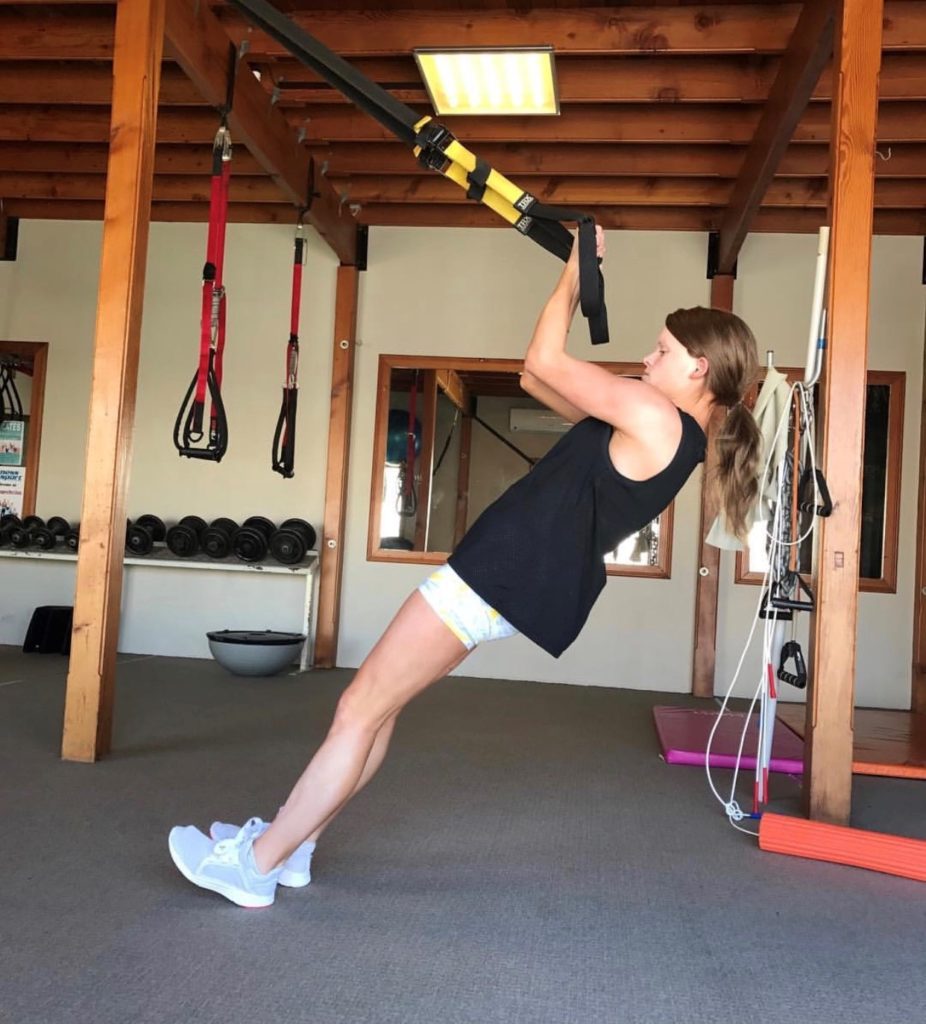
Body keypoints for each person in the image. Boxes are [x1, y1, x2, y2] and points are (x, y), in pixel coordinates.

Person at [168, 227, 761, 907]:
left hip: (496, 573)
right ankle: (294, 846)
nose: (650, 358)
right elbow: (533, 376)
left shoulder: (657, 417)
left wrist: (574, 272)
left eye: (663, 350)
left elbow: (544, 354)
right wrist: (579, 280)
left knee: (357, 709)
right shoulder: (667, 433)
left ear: (698, 369)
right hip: (508, 579)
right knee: (378, 710)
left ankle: (256, 865)